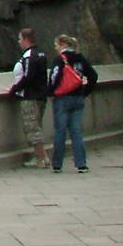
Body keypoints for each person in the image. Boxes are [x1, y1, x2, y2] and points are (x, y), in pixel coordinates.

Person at [49, 34, 99, 173]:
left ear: (63, 45)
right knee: (76, 131)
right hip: (78, 98)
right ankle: (81, 164)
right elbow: (93, 76)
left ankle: (57, 164)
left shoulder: (60, 59)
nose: (56, 49)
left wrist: (51, 92)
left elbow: (55, 77)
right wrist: (85, 92)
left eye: (57, 45)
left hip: (63, 99)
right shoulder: (80, 58)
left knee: (60, 131)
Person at [7, 27, 50, 168]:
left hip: (30, 96)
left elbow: (28, 77)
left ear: (26, 40)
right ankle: (40, 157)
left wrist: (14, 89)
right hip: (41, 96)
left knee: (32, 128)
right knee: (37, 126)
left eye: (20, 39)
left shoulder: (29, 56)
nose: (19, 42)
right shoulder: (41, 54)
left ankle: (42, 158)